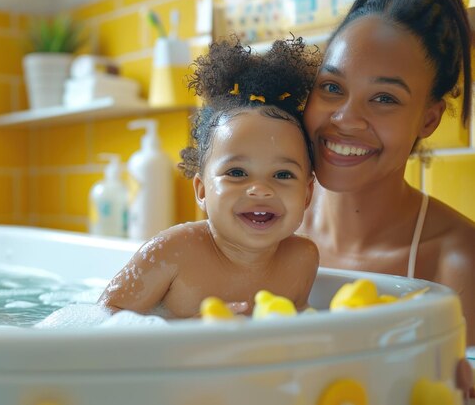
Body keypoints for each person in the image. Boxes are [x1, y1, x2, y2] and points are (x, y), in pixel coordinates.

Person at [298, 0, 475, 345]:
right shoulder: (262, 218)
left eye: (384, 98)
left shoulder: (460, 263)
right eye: (331, 87)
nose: (346, 119)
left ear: (428, 120)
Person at [98, 37, 321, 318]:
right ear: (202, 191)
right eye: (237, 173)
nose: (261, 190)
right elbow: (103, 317)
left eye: (283, 174)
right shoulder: (174, 252)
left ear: (307, 194)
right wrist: (187, 331)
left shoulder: (302, 260)